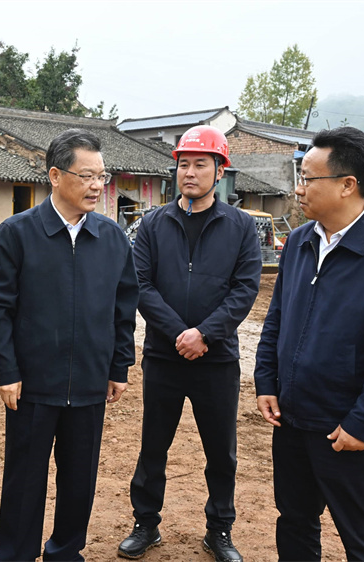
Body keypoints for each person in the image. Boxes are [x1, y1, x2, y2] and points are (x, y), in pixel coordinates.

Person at [254, 126, 364, 561]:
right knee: (295, 522)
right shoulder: (299, 241)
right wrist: (267, 381)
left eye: (307, 179)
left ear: (347, 184)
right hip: (292, 419)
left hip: (347, 429)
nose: (298, 189)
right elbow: (277, 319)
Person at [0, 128, 139, 561]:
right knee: (24, 480)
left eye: (102, 176)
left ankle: (66, 552)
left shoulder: (112, 238)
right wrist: (6, 369)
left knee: (79, 480)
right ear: (55, 175)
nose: (96, 185)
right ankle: (16, 554)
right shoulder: (17, 233)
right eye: (86, 175)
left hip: (89, 383)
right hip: (32, 385)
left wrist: (119, 366)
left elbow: (124, 308)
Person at [118, 125, 261, 562]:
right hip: (164, 357)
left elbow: (244, 289)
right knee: (153, 446)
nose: (190, 172)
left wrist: (206, 335)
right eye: (184, 164)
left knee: (221, 452)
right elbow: (141, 284)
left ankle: (220, 530)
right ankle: (146, 523)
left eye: (201, 164)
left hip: (217, 361)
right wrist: (180, 333)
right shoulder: (153, 223)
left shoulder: (241, 226)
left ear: (220, 171)